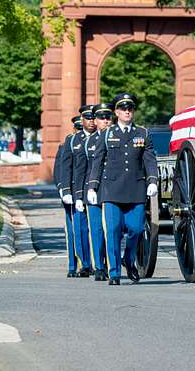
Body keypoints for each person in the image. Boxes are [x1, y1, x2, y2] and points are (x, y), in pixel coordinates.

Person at [86, 93, 158, 285]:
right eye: (123, 109)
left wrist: (153, 181)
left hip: (135, 189)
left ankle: (129, 258)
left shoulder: (143, 133)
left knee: (136, 229)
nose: (127, 111)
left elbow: (149, 159)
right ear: (116, 112)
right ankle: (115, 271)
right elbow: (98, 162)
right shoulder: (107, 134)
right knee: (113, 230)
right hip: (111, 190)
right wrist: (93, 187)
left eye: (130, 108)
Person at [84, 102, 113, 281]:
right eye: (101, 118)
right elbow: (83, 170)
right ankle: (99, 267)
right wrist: (83, 193)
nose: (105, 121)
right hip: (94, 190)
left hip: (112, 190)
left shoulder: (118, 137)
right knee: (96, 230)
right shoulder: (89, 142)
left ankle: (112, 266)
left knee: (111, 229)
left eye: (108, 117)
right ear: (95, 120)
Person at [54, 116, 82, 277]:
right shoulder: (65, 146)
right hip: (71, 192)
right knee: (72, 231)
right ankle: (72, 265)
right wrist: (63, 191)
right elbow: (59, 171)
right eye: (77, 128)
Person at [69, 105, 96, 278]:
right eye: (88, 118)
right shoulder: (73, 141)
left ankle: (98, 263)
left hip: (98, 189)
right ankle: (84, 263)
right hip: (78, 190)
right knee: (80, 230)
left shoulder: (104, 138)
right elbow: (66, 169)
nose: (92, 121)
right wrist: (67, 191)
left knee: (98, 229)